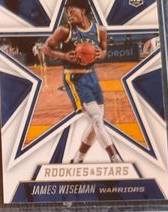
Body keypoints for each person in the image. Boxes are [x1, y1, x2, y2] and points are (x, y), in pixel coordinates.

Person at [43, 0, 123, 164]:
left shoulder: (100, 31)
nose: (68, 14)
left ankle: (78, 159)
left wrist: (101, 54)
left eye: (72, 11)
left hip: (92, 76)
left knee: (96, 122)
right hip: (74, 78)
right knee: (96, 119)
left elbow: (104, 50)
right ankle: (115, 157)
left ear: (83, 11)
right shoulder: (64, 30)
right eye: (67, 12)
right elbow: (46, 48)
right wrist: (64, 56)